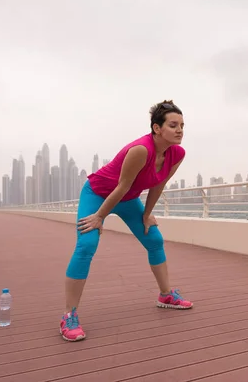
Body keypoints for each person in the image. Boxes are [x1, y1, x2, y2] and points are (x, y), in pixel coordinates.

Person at [60, 100, 192, 342]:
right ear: (157, 128)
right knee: (86, 245)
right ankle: (69, 315)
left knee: (154, 238)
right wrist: (100, 217)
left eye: (182, 125)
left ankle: (165, 296)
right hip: (98, 193)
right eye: (173, 125)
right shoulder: (141, 150)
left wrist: (146, 214)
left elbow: (159, 184)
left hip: (127, 198)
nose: (180, 130)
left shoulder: (177, 153)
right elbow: (122, 185)